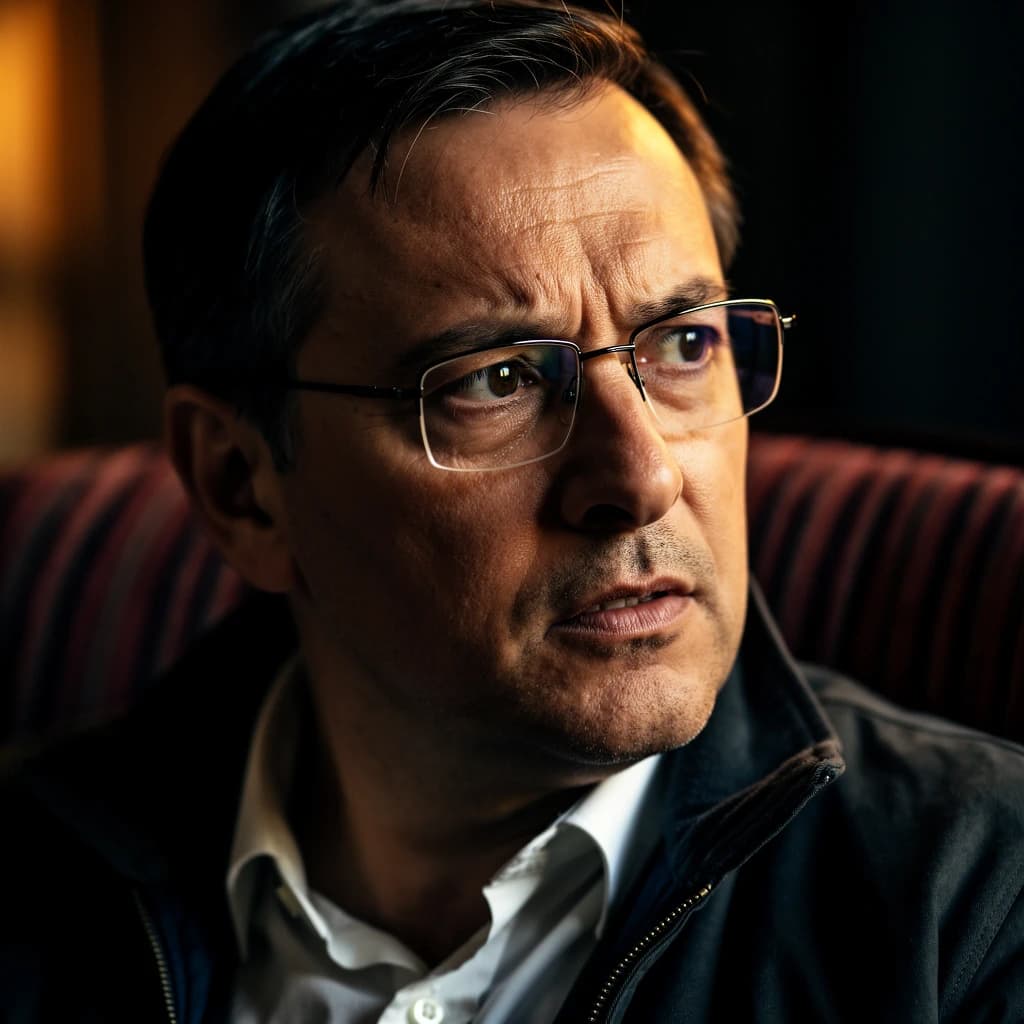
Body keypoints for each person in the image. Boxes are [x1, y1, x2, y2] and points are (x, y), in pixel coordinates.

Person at [2, 1, 1022, 1020]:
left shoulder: (976, 906)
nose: (642, 478)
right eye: (494, 381)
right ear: (241, 485)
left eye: (683, 343)